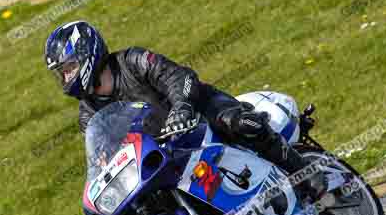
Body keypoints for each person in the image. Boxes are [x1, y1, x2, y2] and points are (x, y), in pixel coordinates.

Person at [44, 20, 327, 202]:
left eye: (69, 68)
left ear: (87, 54)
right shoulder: (88, 112)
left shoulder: (133, 60)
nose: (66, 77)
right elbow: (101, 151)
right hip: (165, 154)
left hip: (199, 112)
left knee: (238, 122)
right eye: (62, 73)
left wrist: (181, 107)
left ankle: (302, 171)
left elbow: (180, 78)